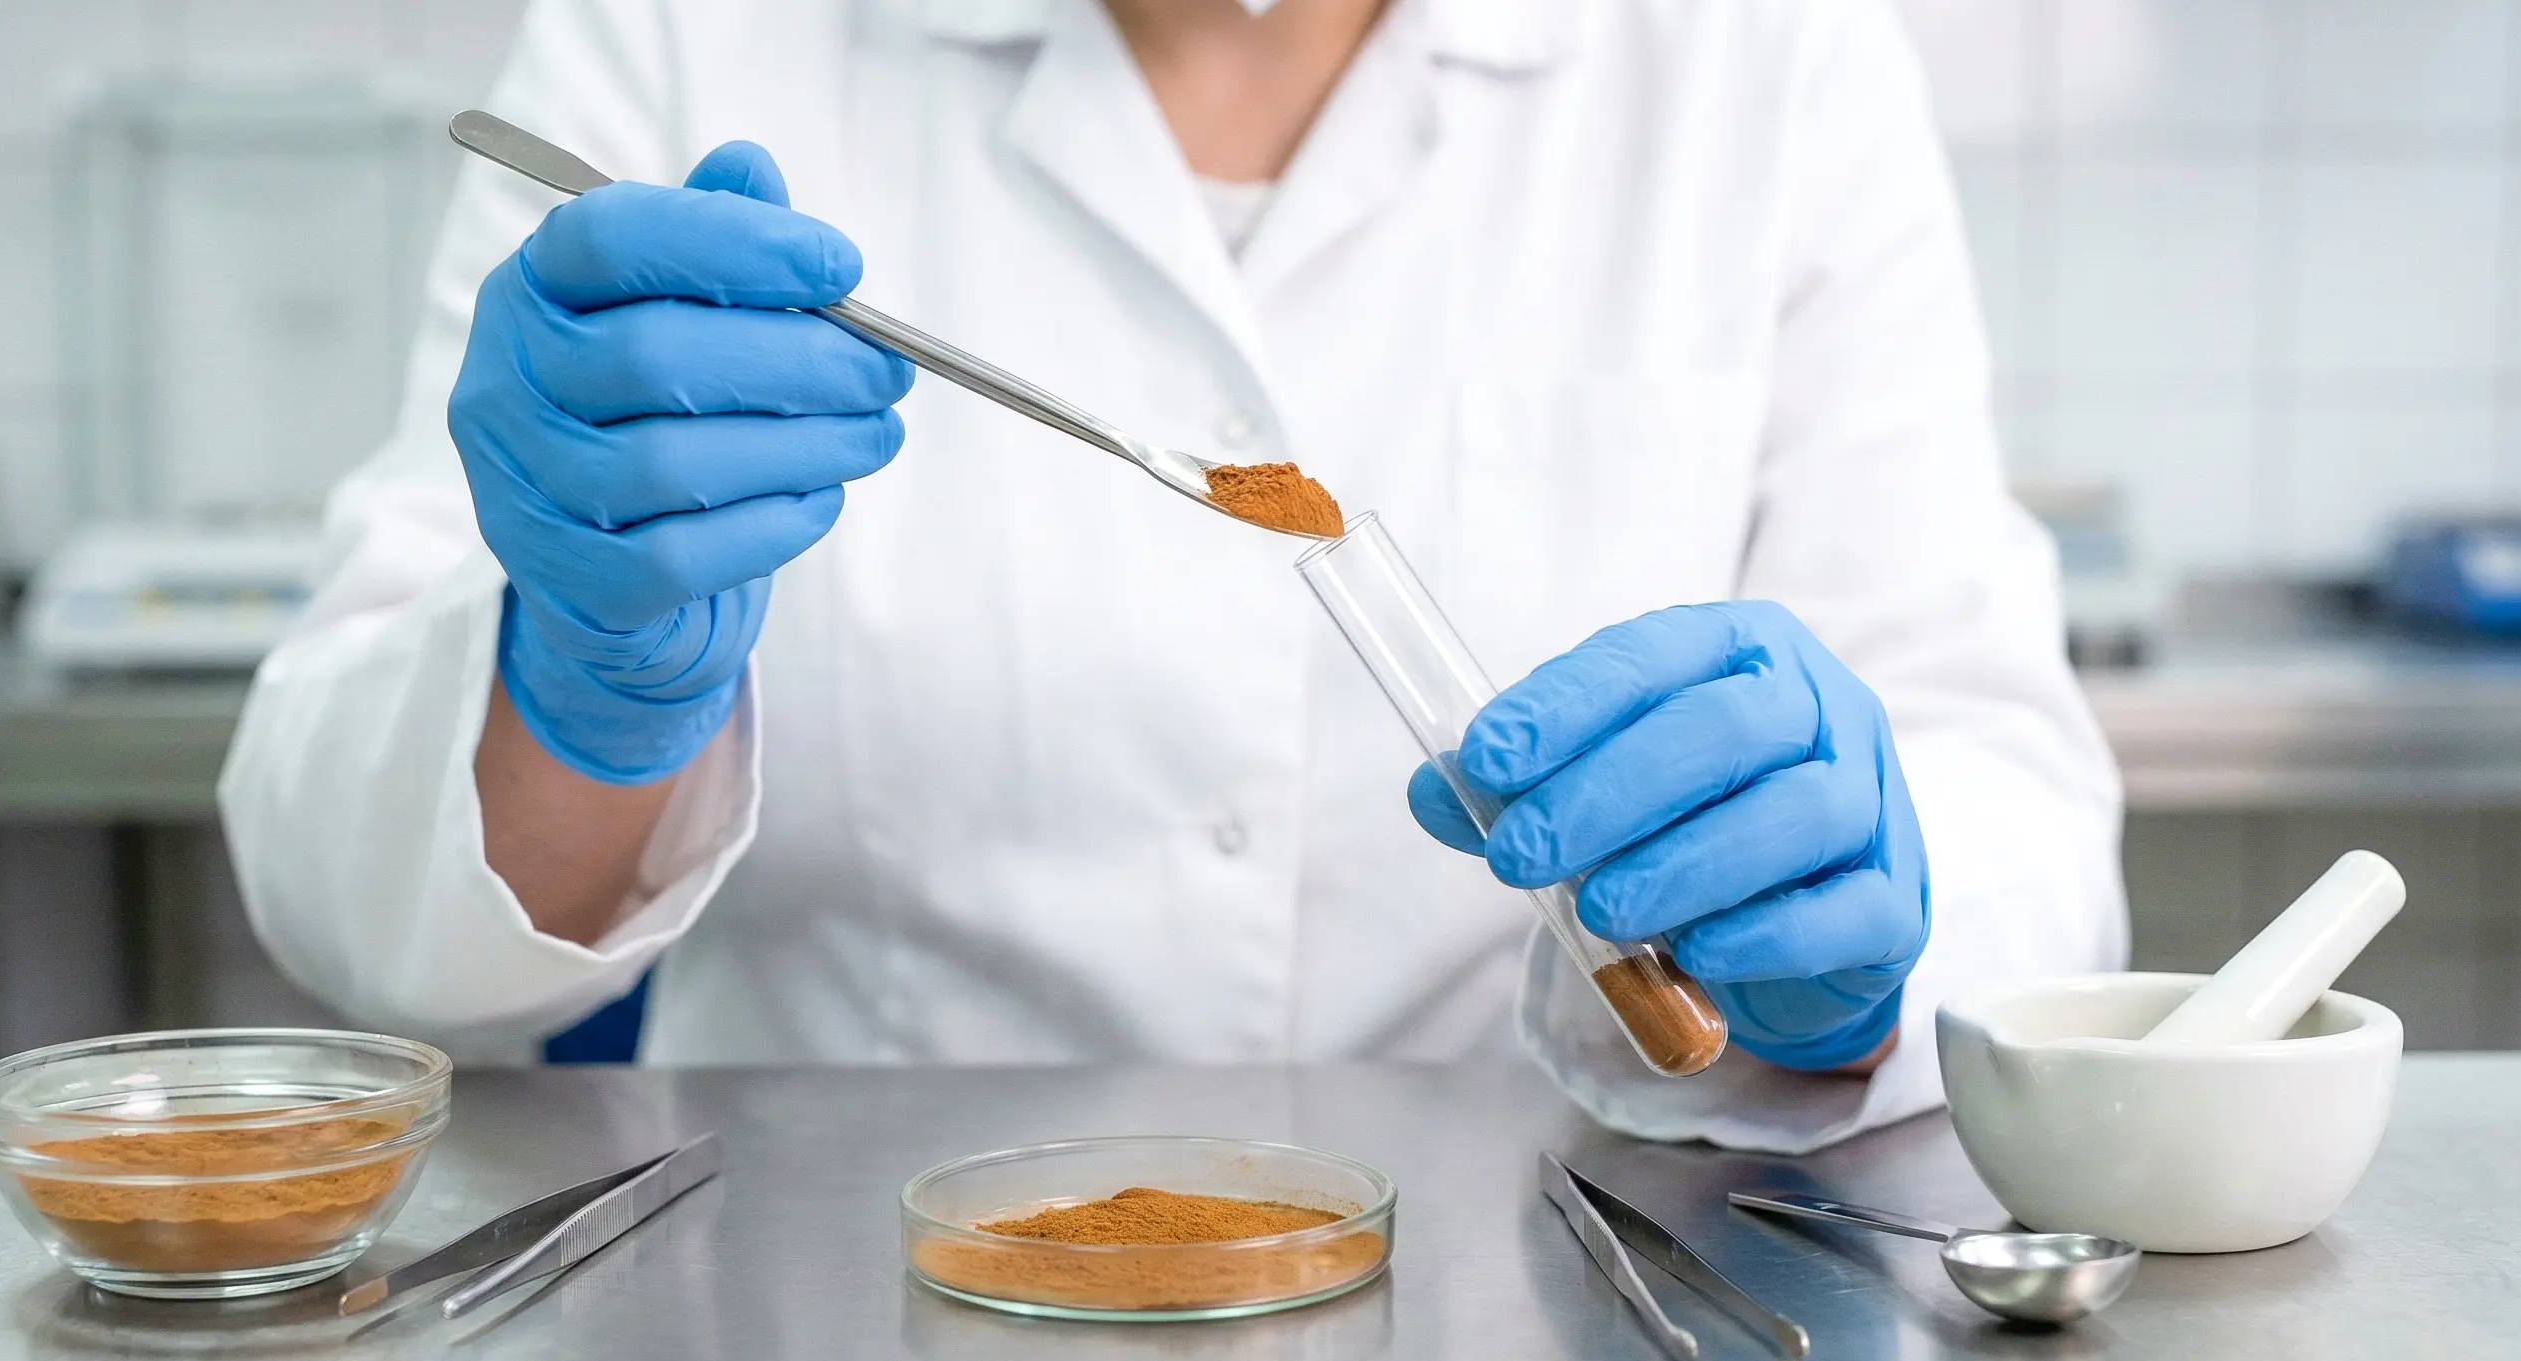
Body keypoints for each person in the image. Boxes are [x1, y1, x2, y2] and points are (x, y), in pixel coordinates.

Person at [220, 0, 2125, 1151]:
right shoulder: (687, 32)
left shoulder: (1754, 55)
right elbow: (359, 913)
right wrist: (582, 673)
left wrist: (1859, 944)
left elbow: (2004, 794)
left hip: (1572, 1349)